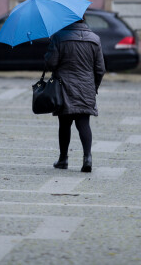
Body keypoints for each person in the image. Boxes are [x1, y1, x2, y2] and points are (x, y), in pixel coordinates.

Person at [44, 18, 106, 172]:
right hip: (86, 87)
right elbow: (100, 69)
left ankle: (63, 159)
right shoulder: (94, 39)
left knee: (64, 124)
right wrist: (94, 87)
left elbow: (51, 64)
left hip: (64, 86)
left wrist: (49, 50)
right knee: (83, 123)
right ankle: (87, 157)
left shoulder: (59, 37)